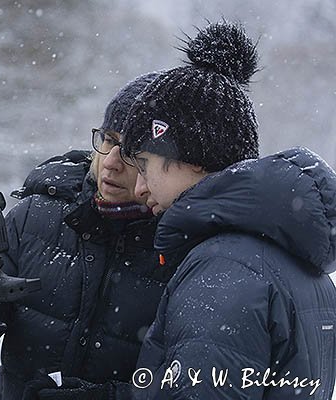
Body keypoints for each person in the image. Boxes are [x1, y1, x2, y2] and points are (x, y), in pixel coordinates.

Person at [0, 72, 175, 399]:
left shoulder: (178, 247)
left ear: (163, 163)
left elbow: (192, 383)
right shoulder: (36, 218)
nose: (112, 163)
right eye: (108, 140)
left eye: (132, 151)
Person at [120, 21, 336, 399]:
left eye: (144, 165)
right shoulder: (295, 263)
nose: (139, 187)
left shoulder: (224, 268)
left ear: (192, 157)